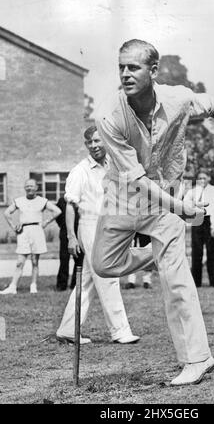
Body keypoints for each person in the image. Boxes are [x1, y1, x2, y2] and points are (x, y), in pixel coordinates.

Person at [92, 39, 214, 385]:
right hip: (123, 196)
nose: (125, 74)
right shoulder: (107, 115)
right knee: (104, 264)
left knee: (177, 282)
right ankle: (160, 256)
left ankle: (197, 359)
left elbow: (212, 104)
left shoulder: (178, 98)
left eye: (134, 67)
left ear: (153, 71)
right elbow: (137, 179)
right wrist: (183, 208)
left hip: (167, 197)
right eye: (121, 67)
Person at [56, 126, 139, 345]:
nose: (93, 146)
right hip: (90, 226)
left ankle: (67, 330)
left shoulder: (113, 165)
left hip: (110, 225)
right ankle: (120, 331)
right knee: (108, 275)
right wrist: (72, 237)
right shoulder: (80, 171)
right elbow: (70, 206)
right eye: (89, 142)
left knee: (88, 281)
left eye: (97, 141)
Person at [1, 178, 61, 294]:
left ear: (36, 188)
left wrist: (46, 222)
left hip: (37, 230)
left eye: (32, 186)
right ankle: (12, 287)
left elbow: (57, 211)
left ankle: (33, 286)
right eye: (27, 186)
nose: (29, 188)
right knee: (20, 261)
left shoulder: (42, 201)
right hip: (23, 232)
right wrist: (13, 226)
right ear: (25, 188)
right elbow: (6, 212)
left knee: (35, 261)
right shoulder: (19, 201)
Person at [185, 170, 214, 288]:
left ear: (209, 178)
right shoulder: (192, 192)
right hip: (197, 219)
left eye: (204, 178)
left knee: (211, 251)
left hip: (209, 220)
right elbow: (185, 205)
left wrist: (213, 226)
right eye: (199, 178)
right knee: (196, 252)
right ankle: (196, 282)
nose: (202, 181)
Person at [55, 196, 83, 291]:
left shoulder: (81, 199)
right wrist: (64, 226)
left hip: (80, 232)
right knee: (64, 259)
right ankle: (62, 284)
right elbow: (58, 216)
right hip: (66, 232)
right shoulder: (62, 200)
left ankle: (75, 284)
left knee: (79, 259)